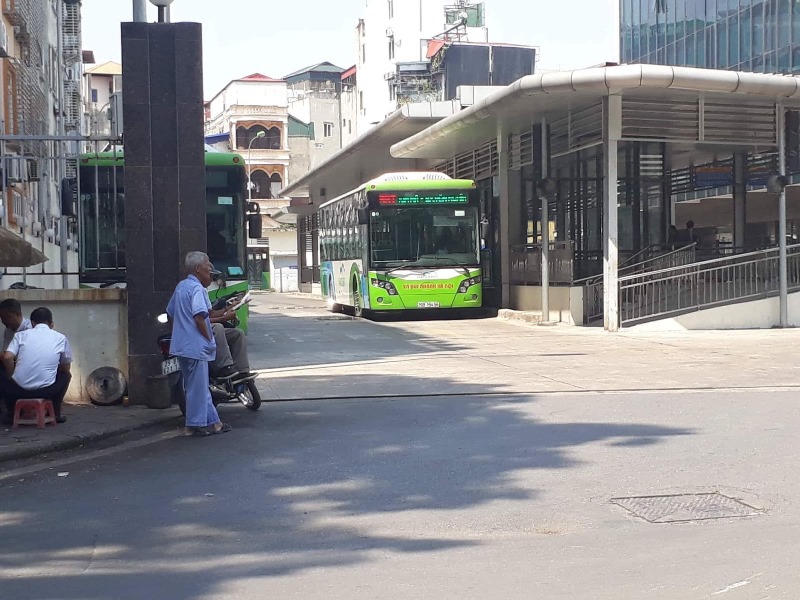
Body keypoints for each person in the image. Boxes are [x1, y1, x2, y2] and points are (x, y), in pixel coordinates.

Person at [166, 251, 231, 437]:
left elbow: (171, 312)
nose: (210, 270)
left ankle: (215, 423)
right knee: (198, 387)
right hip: (196, 346)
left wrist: (179, 332)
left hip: (183, 345)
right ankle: (193, 425)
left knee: (197, 386)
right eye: (207, 267)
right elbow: (200, 317)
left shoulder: (181, 287)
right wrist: (209, 339)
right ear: (197, 269)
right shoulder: (197, 289)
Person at [0, 307, 71, 425]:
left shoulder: (20, 335)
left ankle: (11, 413)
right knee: (66, 375)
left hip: (18, 391)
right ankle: (56, 413)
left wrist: (12, 376)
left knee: (3, 374)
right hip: (46, 392)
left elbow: (7, 357)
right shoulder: (61, 338)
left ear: (32, 323)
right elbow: (65, 367)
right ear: (51, 324)